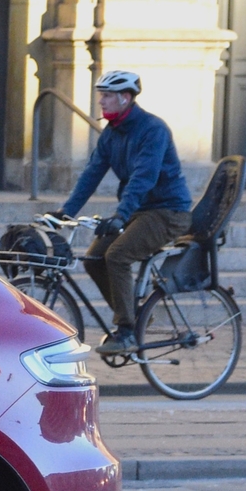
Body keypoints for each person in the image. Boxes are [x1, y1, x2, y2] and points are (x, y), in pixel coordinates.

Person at [55, 68, 192, 352]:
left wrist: (120, 215)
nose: (101, 102)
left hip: (167, 212)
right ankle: (136, 313)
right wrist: (65, 211)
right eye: (100, 96)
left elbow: (144, 177)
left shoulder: (152, 129)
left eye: (107, 96)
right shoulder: (111, 133)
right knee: (94, 257)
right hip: (138, 211)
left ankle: (127, 331)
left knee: (117, 255)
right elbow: (92, 173)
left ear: (126, 98)